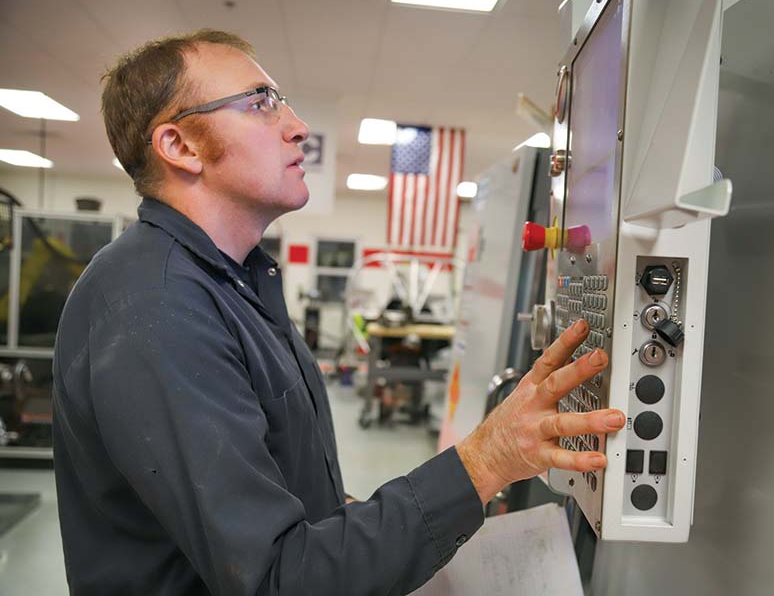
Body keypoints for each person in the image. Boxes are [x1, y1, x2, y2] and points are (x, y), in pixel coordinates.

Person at [52, 30, 625, 596]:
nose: (297, 127)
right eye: (259, 104)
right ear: (180, 146)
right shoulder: (159, 306)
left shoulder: (238, 282)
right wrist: (483, 462)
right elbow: (276, 579)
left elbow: (289, 505)